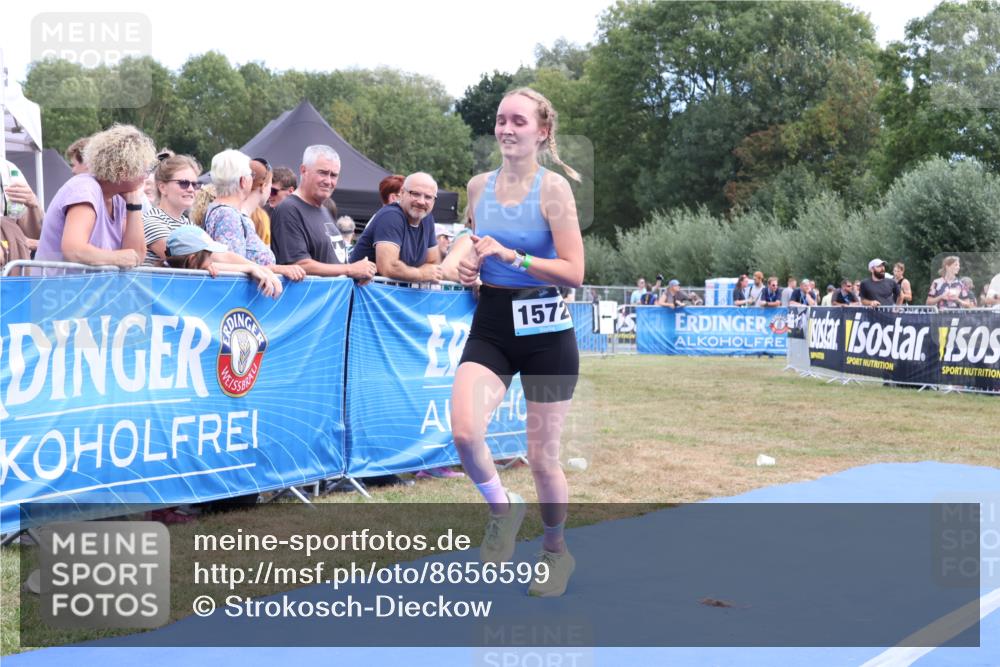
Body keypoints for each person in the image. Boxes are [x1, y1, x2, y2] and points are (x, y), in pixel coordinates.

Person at [451, 87, 583, 597]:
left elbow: (574, 272)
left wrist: (515, 258)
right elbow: (474, 247)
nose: (506, 129)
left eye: (519, 121)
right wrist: (469, 265)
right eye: (501, 120)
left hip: (547, 328)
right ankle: (502, 507)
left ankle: (555, 553)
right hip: (493, 323)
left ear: (542, 132)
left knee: (542, 458)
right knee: (465, 432)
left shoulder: (555, 191)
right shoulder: (479, 185)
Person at [34, 124, 155, 268]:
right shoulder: (85, 189)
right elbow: (74, 251)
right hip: (57, 288)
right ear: (123, 171)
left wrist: (134, 205)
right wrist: (117, 258)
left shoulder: (120, 198)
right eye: (144, 170)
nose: (146, 176)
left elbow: (136, 256)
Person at [270, 145, 375, 281]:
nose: (328, 181)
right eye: (323, 173)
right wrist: (350, 269)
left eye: (334, 175)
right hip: (308, 300)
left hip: (334, 299)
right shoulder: (288, 209)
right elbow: (299, 265)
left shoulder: (324, 210)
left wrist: (356, 275)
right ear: (304, 170)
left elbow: (334, 261)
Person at [203, 150, 305, 282]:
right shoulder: (228, 215)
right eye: (251, 175)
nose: (253, 179)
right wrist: (275, 270)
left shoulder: (221, 211)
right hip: (239, 300)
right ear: (243, 181)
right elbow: (232, 271)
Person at [348, 172, 442, 282]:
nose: (421, 201)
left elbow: (433, 264)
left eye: (428, 197)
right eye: (415, 194)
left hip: (394, 295)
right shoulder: (391, 216)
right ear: (402, 193)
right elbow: (388, 267)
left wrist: (423, 273)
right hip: (364, 294)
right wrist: (421, 274)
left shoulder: (427, 218)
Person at [164, 226, 283, 298]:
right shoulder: (165, 283)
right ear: (192, 260)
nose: (212, 262)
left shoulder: (198, 265)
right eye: (209, 256)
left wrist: (262, 270)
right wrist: (249, 269)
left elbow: (224, 257)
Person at [143, 151, 201, 266]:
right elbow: (189, 262)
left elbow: (216, 255)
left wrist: (247, 265)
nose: (191, 189)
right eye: (184, 183)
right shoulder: (151, 221)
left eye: (194, 184)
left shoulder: (187, 223)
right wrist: (245, 268)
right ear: (162, 187)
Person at [242, 158, 273, 246]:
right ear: (263, 186)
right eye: (270, 187)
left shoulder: (233, 213)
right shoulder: (242, 219)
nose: (270, 192)